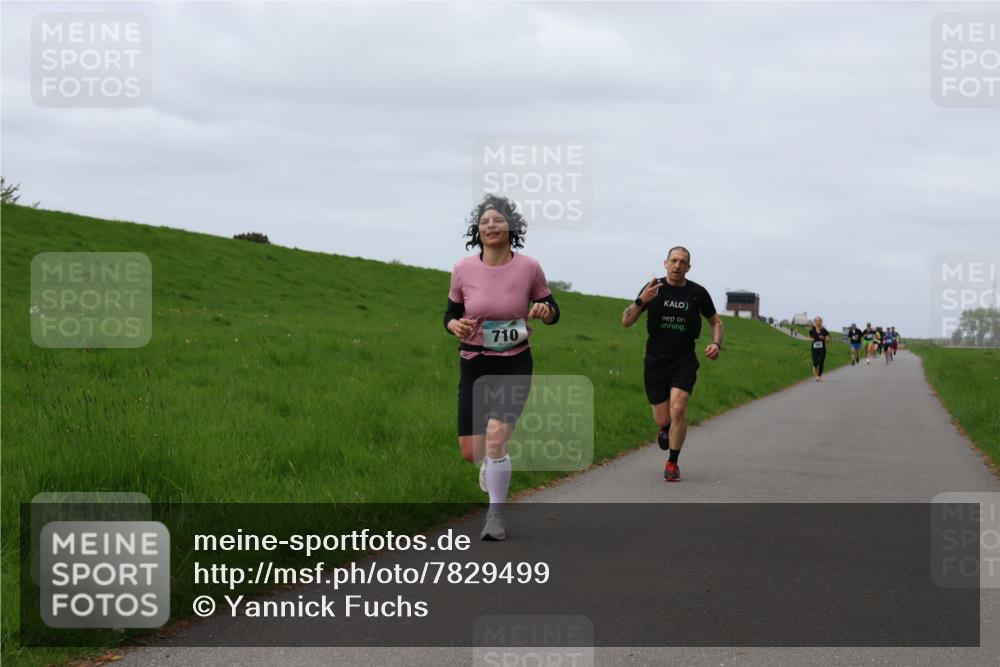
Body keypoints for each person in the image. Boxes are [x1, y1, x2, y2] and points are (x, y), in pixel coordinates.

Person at [444, 194, 559, 540]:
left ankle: (495, 517)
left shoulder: (529, 267)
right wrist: (454, 326)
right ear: (476, 232)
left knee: (496, 437)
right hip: (474, 363)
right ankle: (491, 464)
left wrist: (544, 311)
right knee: (471, 451)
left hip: (514, 363)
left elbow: (552, 308)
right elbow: (450, 314)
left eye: (497, 220)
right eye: (484, 222)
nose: (490, 226)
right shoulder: (463, 268)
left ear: (511, 227)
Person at [622, 246, 723, 482]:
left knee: (678, 408)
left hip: (684, 359)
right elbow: (626, 321)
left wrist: (717, 344)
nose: (677, 265)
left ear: (689, 267)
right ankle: (665, 428)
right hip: (656, 360)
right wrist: (641, 300)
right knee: (662, 418)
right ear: (665, 263)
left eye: (683, 262)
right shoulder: (653, 288)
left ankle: (672, 462)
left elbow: (716, 322)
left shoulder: (698, 293)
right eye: (674, 260)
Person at [808, 316, 830, 381]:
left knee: (821, 362)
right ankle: (814, 366)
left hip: (822, 349)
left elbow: (828, 340)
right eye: (816, 321)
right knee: (815, 361)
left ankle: (818, 376)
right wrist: (812, 339)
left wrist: (824, 338)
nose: (818, 322)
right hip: (814, 349)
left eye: (819, 321)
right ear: (815, 322)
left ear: (821, 322)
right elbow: (809, 337)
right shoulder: (812, 331)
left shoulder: (824, 330)